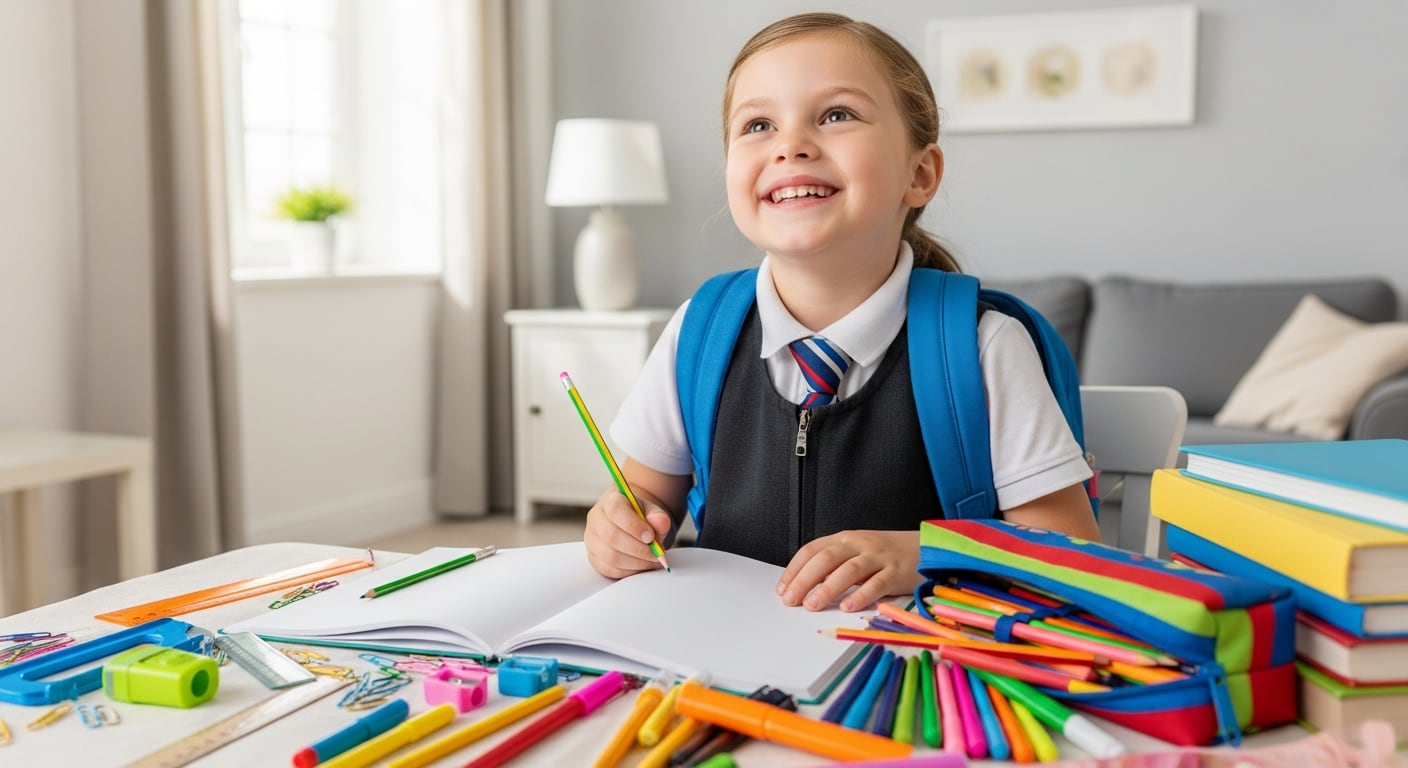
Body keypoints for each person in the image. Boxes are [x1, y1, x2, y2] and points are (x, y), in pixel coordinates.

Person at [583, 12, 1101, 612]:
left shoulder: (983, 346)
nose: (790, 145)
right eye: (757, 124)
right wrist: (620, 525)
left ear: (920, 172)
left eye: (836, 115)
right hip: (724, 668)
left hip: (905, 676)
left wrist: (924, 555)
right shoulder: (697, 332)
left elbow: (1071, 553)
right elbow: (646, 495)